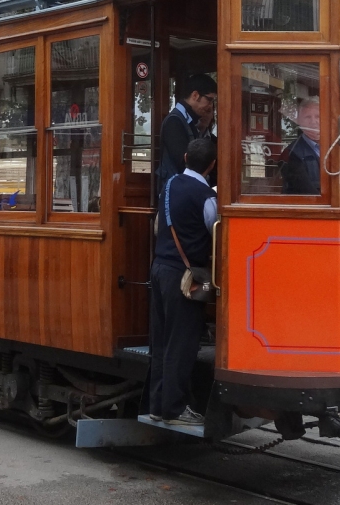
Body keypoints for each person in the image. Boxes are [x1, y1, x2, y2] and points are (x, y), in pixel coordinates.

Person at [149, 138, 217, 426]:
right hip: (187, 278)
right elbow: (216, 233)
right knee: (183, 343)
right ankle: (175, 410)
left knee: (162, 341)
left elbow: (156, 226)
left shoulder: (169, 186)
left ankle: (157, 404)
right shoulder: (206, 197)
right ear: (212, 165)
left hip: (160, 268)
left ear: (186, 156)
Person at [156, 73, 217, 196]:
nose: (210, 106)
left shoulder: (187, 120)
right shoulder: (174, 121)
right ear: (195, 95)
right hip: (177, 194)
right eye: (209, 100)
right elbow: (184, 162)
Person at [280, 97, 321, 195]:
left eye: (318, 116)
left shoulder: (336, 148)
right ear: (300, 122)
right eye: (308, 117)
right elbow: (309, 194)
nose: (313, 121)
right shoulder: (291, 154)